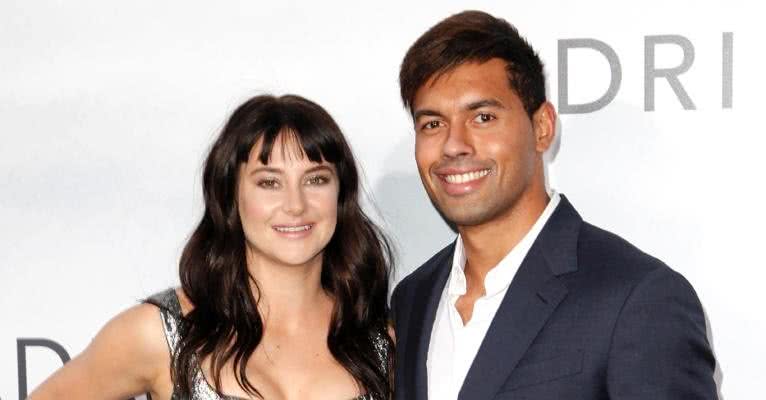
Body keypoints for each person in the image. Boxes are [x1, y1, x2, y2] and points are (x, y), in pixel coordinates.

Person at [390, 10, 717, 400]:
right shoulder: (413, 298)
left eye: (482, 117)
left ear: (542, 127)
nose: (454, 144)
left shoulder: (637, 298)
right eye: (432, 124)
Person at [29, 94, 394, 400]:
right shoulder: (162, 333)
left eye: (316, 180)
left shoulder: (382, 343)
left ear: (341, 193)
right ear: (230, 196)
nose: (296, 204)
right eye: (269, 183)